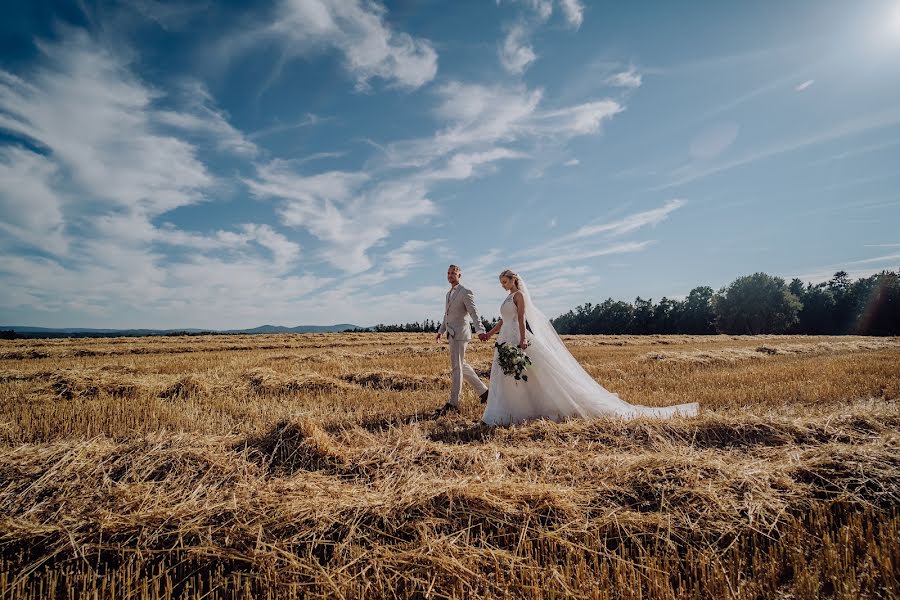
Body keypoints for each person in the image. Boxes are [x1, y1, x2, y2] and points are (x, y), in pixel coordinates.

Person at [480, 269, 699, 425]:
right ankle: (504, 412)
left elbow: (520, 318)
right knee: (505, 375)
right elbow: (503, 320)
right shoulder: (508, 299)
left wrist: (523, 339)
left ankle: (534, 409)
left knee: (532, 372)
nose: (503, 286)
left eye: (505, 282)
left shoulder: (519, 296)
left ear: (513, 280)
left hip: (517, 337)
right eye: (501, 283)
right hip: (504, 340)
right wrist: (490, 334)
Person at [434, 264, 489, 416]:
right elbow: (447, 316)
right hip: (451, 334)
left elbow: (473, 312)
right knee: (462, 365)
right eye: (448, 273)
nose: (450, 275)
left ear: (459, 275)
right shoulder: (448, 294)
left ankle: (453, 404)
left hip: (460, 334)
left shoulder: (465, 292)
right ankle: (484, 393)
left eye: (453, 273)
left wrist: (480, 330)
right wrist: (441, 331)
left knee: (456, 368)